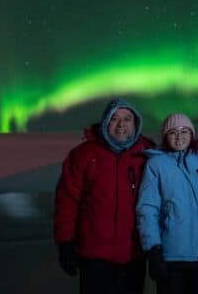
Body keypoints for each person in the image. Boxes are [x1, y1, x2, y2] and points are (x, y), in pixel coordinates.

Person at [53, 97, 155, 294]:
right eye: (115, 119)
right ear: (106, 122)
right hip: (94, 254)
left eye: (127, 119)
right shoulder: (83, 155)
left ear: (136, 123)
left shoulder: (147, 155)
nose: (121, 125)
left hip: (134, 253)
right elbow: (67, 201)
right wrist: (65, 242)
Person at [136, 113, 198, 294]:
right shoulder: (156, 165)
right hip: (172, 257)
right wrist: (153, 250)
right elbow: (148, 209)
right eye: (173, 132)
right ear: (165, 136)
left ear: (192, 134)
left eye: (184, 131)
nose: (179, 136)